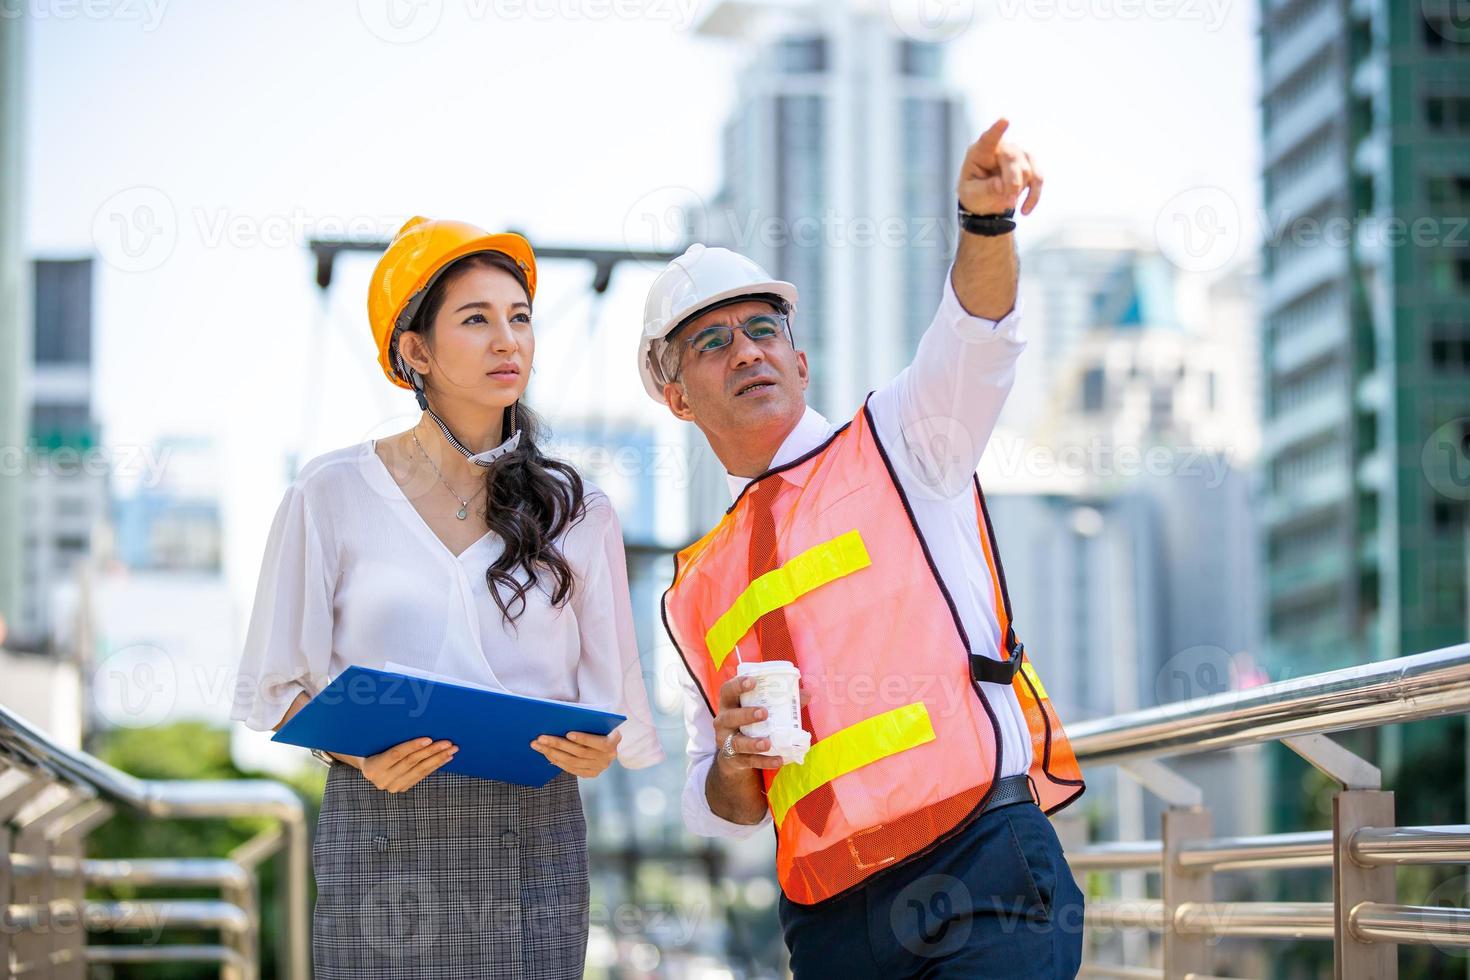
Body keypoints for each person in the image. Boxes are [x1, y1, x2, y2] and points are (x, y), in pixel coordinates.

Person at [642, 119, 1086, 977]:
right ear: (677, 397)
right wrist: (735, 762)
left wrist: (985, 223)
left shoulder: (903, 443)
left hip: (978, 864)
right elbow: (716, 800)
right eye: (712, 341)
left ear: (801, 362)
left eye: (763, 329)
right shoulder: (692, 589)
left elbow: (977, 333)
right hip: (830, 919)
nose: (747, 351)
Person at [231, 216, 664, 979]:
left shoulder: (581, 509)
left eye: (520, 317)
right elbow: (276, 689)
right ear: (415, 350)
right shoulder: (330, 493)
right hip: (381, 829)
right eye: (477, 319)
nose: (509, 340)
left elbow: (614, 714)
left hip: (532, 837)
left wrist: (595, 749)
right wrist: (353, 751)